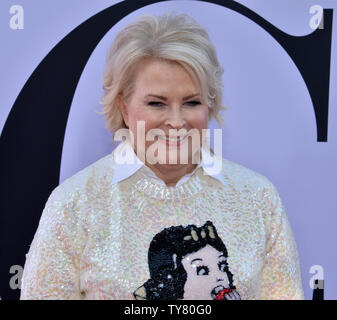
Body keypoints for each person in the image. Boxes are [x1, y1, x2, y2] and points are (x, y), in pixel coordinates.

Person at [20, 12, 304, 300]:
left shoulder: (257, 198)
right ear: (123, 106)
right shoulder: (74, 204)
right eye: (157, 103)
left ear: (210, 105)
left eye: (192, 102)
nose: (176, 121)